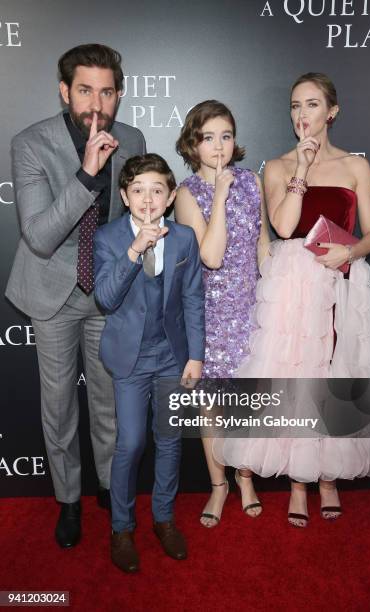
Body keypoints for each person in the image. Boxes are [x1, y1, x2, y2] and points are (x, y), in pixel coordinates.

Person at [213, 73, 370, 527]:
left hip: (338, 281)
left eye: (312, 105)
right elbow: (281, 225)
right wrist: (300, 168)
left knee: (333, 376)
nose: (302, 115)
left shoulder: (356, 166)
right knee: (294, 380)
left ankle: (328, 479)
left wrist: (350, 250)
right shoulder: (275, 167)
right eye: (296, 106)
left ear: (331, 111)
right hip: (293, 285)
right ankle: (299, 482)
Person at [5, 44, 146, 548]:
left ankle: (110, 492)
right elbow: (40, 236)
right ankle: (68, 500)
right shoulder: (30, 143)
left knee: (108, 403)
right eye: (85, 90)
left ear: (119, 94)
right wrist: (87, 173)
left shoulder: (131, 138)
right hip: (53, 292)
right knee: (60, 406)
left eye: (106, 91)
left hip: (108, 293)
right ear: (65, 91)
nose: (96, 102)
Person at [94, 153, 205, 572]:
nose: (147, 198)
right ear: (124, 195)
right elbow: (104, 298)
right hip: (130, 358)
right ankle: (121, 527)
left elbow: (194, 299)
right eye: (137, 190)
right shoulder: (107, 239)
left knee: (170, 441)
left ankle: (164, 519)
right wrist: (134, 250)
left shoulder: (184, 239)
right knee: (132, 442)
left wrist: (196, 354)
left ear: (171, 195)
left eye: (157, 189)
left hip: (171, 357)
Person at [175, 100, 270, 527]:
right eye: (208, 137)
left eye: (226, 136)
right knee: (211, 407)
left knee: (246, 402)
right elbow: (211, 256)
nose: (218, 146)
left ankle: (246, 478)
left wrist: (276, 299)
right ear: (193, 144)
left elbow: (263, 245)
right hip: (210, 316)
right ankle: (219, 485)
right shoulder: (184, 194)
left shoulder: (252, 181)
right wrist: (219, 193)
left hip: (251, 309)